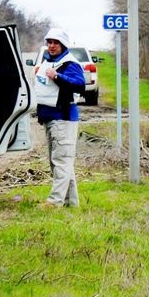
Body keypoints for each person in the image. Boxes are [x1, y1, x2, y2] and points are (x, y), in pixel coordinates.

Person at [33, 28, 85, 208]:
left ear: (63, 45)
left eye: (55, 43)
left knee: (61, 162)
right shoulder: (49, 61)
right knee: (62, 163)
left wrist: (57, 76)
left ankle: (54, 202)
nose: (51, 46)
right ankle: (71, 203)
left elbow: (80, 85)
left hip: (63, 118)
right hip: (51, 118)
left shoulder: (70, 64)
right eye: (49, 42)